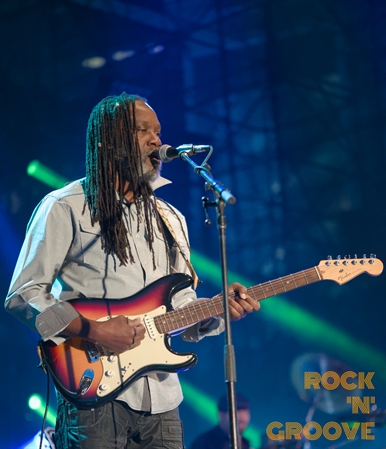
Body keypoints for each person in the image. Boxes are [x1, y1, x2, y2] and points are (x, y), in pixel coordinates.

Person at [5, 93, 260, 449]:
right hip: (92, 393)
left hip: (162, 398)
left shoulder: (171, 219)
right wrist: (92, 330)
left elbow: (181, 302)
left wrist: (214, 312)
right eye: (143, 131)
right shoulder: (65, 207)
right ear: (108, 142)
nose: (157, 140)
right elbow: (24, 295)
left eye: (158, 131)